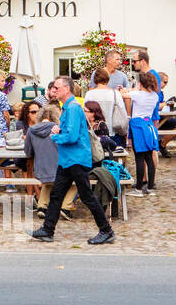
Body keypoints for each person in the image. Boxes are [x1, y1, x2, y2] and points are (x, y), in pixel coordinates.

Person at [29, 77, 115, 245]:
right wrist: (59, 128)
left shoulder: (73, 108)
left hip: (76, 159)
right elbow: (70, 130)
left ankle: (106, 230)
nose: (54, 90)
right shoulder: (67, 107)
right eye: (53, 87)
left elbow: (73, 136)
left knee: (86, 196)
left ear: (67, 89)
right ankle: (47, 230)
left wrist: (56, 136)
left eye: (57, 87)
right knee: (56, 194)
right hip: (67, 159)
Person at [122, 71, 161, 195]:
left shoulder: (138, 95)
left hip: (137, 126)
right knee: (149, 157)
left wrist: (124, 89)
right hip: (149, 125)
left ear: (141, 83)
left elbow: (123, 95)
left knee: (139, 158)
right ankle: (150, 187)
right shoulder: (154, 96)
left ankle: (138, 189)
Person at [24, 103, 62, 218]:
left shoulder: (31, 130)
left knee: (48, 180)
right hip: (58, 170)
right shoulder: (58, 129)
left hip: (39, 171)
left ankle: (42, 206)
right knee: (74, 181)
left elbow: (28, 152)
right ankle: (65, 207)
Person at [84, 68, 128, 145]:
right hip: (112, 130)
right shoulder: (115, 93)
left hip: (95, 130)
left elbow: (85, 113)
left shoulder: (90, 94)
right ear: (107, 79)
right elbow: (122, 111)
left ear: (95, 79)